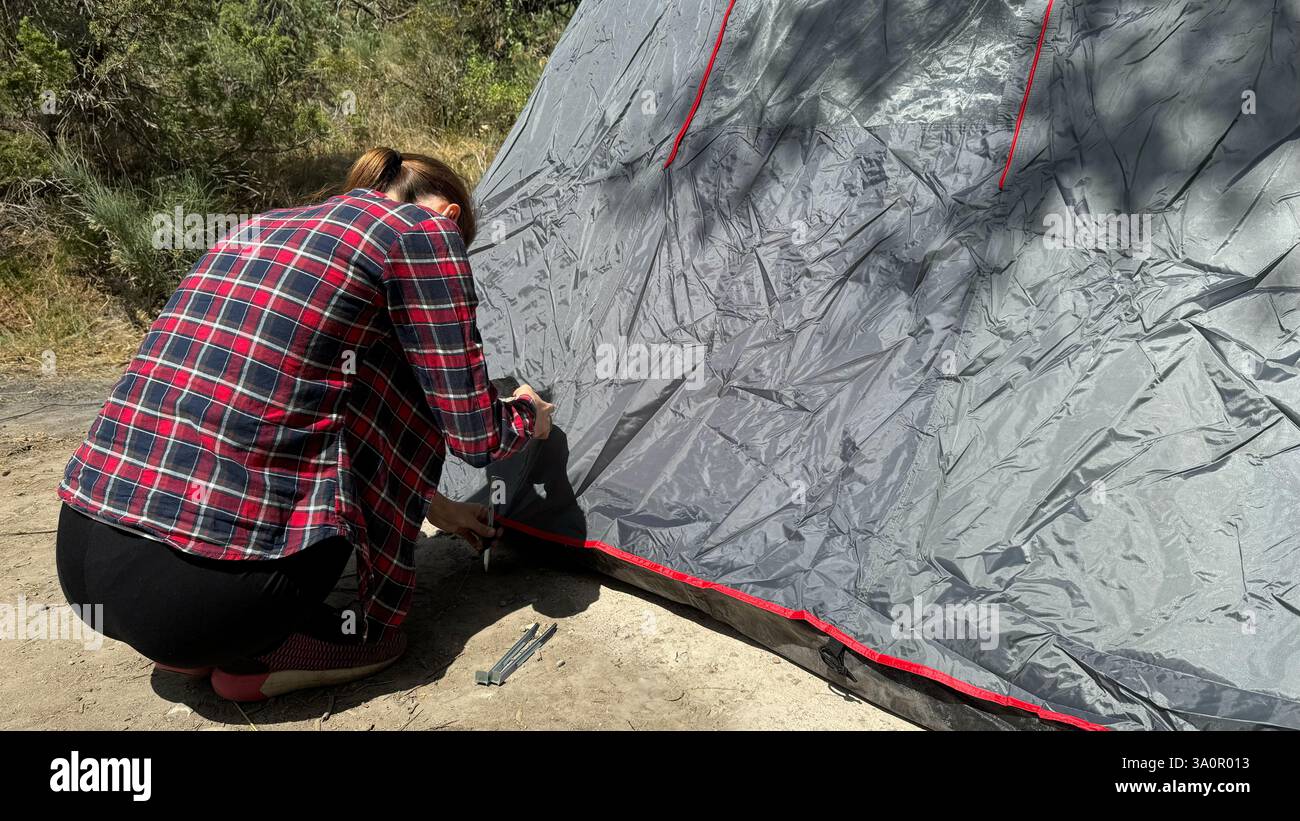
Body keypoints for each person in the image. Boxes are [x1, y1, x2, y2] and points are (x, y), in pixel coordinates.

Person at [55, 147, 555, 701]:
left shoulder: (263, 227)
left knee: (353, 389)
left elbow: (316, 410)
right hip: (197, 600)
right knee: (384, 643)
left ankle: (196, 644)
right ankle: (251, 659)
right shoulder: (424, 233)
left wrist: (443, 510)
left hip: (84, 558)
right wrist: (530, 415)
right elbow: (475, 433)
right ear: (450, 216)